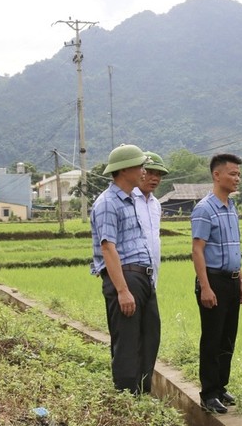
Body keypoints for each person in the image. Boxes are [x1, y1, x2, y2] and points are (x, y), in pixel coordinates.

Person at [90, 144, 159, 395]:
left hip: (142, 277)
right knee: (128, 342)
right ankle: (127, 398)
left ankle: (142, 395)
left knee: (149, 338)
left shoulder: (130, 200)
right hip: (126, 277)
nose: (144, 170)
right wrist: (122, 290)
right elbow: (108, 248)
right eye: (140, 166)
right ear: (124, 169)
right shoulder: (108, 203)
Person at [191, 153, 242, 414]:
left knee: (228, 337)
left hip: (232, 281)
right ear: (217, 175)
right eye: (233, 174)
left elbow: (234, 249)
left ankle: (221, 386)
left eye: (238, 174)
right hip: (213, 280)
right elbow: (197, 250)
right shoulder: (205, 208)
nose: (238, 178)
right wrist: (205, 286)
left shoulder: (231, 207)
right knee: (212, 339)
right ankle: (208, 393)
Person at [133, 151, 169, 288]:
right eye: (150, 172)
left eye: (159, 174)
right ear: (139, 172)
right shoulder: (127, 201)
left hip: (152, 275)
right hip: (131, 276)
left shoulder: (156, 205)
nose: (155, 178)